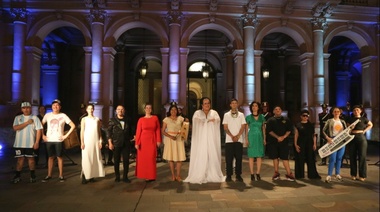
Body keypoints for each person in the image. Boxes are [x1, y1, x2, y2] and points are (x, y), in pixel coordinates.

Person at [184, 97, 225, 184]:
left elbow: (217, 121)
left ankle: (212, 173)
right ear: (202, 105)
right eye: (205, 103)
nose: (207, 105)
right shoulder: (197, 113)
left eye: (208, 103)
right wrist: (203, 121)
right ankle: (200, 172)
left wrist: (212, 121)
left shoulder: (214, 113)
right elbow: (195, 122)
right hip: (201, 140)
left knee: (211, 155)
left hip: (211, 140)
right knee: (201, 154)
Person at [41, 99, 76, 182]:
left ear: (60, 107)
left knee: (59, 157)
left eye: (57, 105)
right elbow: (41, 125)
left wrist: (65, 136)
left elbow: (73, 125)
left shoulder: (63, 115)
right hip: (49, 139)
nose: (55, 107)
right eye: (53, 105)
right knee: (50, 157)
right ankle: (49, 175)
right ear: (52, 106)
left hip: (58, 140)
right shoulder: (47, 115)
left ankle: (61, 175)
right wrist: (43, 135)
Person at [11, 102, 43, 183]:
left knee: (31, 159)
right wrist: (27, 123)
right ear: (21, 109)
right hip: (19, 144)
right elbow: (15, 128)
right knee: (20, 160)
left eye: (28, 107)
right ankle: (17, 176)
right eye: (24, 108)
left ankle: (32, 175)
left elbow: (39, 130)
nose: (26, 109)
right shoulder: (18, 118)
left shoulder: (35, 118)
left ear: (30, 108)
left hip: (30, 144)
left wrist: (37, 142)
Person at [266, 105, 295, 181]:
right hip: (273, 142)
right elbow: (269, 131)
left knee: (285, 158)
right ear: (273, 111)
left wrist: (283, 137)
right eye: (276, 109)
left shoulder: (286, 119)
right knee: (275, 158)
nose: (278, 110)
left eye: (279, 109)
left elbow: (289, 130)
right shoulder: (270, 120)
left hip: (284, 142)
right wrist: (277, 137)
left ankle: (289, 174)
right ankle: (276, 173)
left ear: (281, 111)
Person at [135, 103, 161, 182]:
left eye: (150, 108)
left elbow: (158, 130)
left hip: (152, 140)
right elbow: (138, 131)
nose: (148, 109)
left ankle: (151, 175)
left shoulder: (155, 118)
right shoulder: (141, 120)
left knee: (151, 158)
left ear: (151, 109)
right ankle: (145, 175)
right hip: (143, 141)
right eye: (147, 108)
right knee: (143, 160)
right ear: (144, 109)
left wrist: (158, 140)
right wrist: (137, 143)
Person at [80, 104, 105, 184]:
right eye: (89, 108)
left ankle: (92, 176)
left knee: (94, 157)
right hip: (87, 141)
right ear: (86, 110)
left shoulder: (97, 119)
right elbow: (82, 131)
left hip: (95, 140)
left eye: (92, 108)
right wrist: (82, 142)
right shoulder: (84, 119)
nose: (90, 110)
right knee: (86, 158)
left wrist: (100, 140)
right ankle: (84, 175)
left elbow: (99, 131)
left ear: (93, 110)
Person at [108, 105, 133, 183]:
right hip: (116, 143)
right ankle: (117, 176)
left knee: (126, 160)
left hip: (126, 143)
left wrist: (132, 137)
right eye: (118, 109)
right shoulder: (112, 120)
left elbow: (131, 130)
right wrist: (110, 143)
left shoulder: (128, 119)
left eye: (122, 109)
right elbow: (109, 132)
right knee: (116, 160)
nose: (120, 111)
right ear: (116, 110)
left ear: (124, 111)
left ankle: (125, 177)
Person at [322, 106, 348, 183]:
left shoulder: (342, 121)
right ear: (332, 113)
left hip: (341, 141)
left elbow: (346, 131)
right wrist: (327, 138)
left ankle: (337, 174)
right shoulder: (329, 121)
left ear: (340, 113)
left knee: (339, 158)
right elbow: (323, 130)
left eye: (338, 111)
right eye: (335, 111)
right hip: (333, 140)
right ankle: (329, 175)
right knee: (332, 158)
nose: (337, 113)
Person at [222, 98, 246, 182]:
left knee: (239, 158)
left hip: (239, 140)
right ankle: (229, 175)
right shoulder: (226, 115)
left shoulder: (241, 115)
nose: (234, 104)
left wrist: (238, 135)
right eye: (233, 103)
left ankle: (238, 175)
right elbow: (225, 127)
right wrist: (232, 136)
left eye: (236, 103)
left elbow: (243, 126)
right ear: (230, 105)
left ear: (237, 104)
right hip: (229, 140)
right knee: (229, 159)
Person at [162, 103, 187, 181]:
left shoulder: (180, 119)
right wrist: (170, 136)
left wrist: (186, 123)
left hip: (179, 139)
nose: (173, 111)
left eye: (175, 110)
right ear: (170, 111)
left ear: (177, 111)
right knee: (171, 158)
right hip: (170, 139)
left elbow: (185, 127)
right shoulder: (166, 119)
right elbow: (162, 131)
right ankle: (173, 175)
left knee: (179, 158)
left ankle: (178, 175)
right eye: (172, 110)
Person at [348, 105, 373, 182]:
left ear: (360, 111)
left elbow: (371, 124)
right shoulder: (350, 119)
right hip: (352, 137)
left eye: (357, 110)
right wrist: (350, 128)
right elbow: (347, 129)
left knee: (362, 156)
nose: (356, 111)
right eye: (354, 110)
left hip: (361, 137)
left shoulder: (363, 119)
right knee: (352, 156)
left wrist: (365, 130)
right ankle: (353, 174)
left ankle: (362, 175)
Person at [294, 110, 321, 179]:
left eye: (306, 116)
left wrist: (315, 144)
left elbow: (314, 135)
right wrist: (295, 144)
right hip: (301, 143)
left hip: (309, 143)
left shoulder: (311, 125)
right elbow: (296, 135)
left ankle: (312, 175)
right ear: (301, 116)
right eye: (304, 116)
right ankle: (300, 175)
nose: (305, 117)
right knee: (300, 159)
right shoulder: (298, 125)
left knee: (311, 159)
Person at [245, 101, 266, 181]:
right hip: (251, 137)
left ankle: (258, 173)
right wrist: (246, 139)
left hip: (259, 137)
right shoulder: (248, 117)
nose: (254, 107)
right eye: (253, 106)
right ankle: (251, 174)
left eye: (256, 106)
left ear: (258, 107)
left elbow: (263, 129)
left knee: (259, 156)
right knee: (251, 156)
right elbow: (246, 130)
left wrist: (264, 138)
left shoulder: (262, 117)